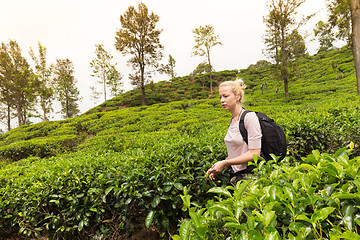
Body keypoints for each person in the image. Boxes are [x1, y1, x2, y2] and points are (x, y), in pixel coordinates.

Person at [206, 78, 262, 186]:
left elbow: (255, 153)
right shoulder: (233, 121)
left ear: (237, 96)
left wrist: (225, 163)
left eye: (226, 96)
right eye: (220, 97)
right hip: (237, 178)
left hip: (251, 179)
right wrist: (219, 166)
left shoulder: (249, 118)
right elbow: (237, 153)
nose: (222, 100)